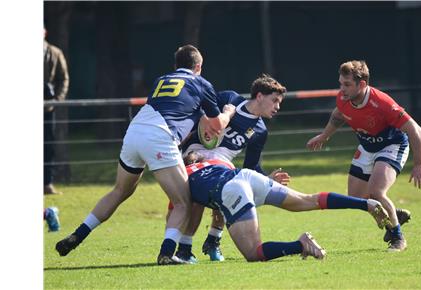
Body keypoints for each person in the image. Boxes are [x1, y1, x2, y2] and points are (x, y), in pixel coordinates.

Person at [55, 45, 236, 265]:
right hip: (159, 135)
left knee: (120, 191)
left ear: (175, 65)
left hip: (135, 131)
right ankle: (167, 253)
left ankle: (79, 234)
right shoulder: (201, 82)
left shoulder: (161, 80)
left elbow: (177, 106)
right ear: (198, 66)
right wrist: (228, 112)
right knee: (183, 201)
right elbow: (217, 125)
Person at [306, 60, 421, 252]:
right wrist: (324, 135)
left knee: (376, 192)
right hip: (367, 147)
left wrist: (419, 164)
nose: (342, 89)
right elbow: (339, 115)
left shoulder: (382, 103)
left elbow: (416, 130)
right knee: (356, 198)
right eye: (340, 84)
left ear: (361, 84)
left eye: (347, 85)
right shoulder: (343, 98)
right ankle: (393, 216)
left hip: (391, 146)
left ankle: (397, 238)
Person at [181, 151, 390, 262]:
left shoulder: (183, 176)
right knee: (309, 199)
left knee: (254, 253)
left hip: (231, 189)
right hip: (246, 176)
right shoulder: (216, 161)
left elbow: (187, 210)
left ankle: (300, 245)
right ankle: (366, 204)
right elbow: (219, 208)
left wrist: (182, 247)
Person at [169, 75, 290, 262]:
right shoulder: (230, 99)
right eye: (274, 100)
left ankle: (213, 240)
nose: (277, 107)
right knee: (196, 199)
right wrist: (185, 135)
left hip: (222, 161)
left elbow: (251, 166)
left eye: (279, 103)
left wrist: (267, 178)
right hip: (196, 151)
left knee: (230, 186)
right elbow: (201, 113)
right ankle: (184, 249)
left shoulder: (260, 132)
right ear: (259, 96)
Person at [44, 28, 69, 195]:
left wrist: (56, 101)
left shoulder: (54, 52)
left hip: (47, 105)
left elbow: (63, 78)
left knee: (48, 145)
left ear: (44, 32)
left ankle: (47, 183)